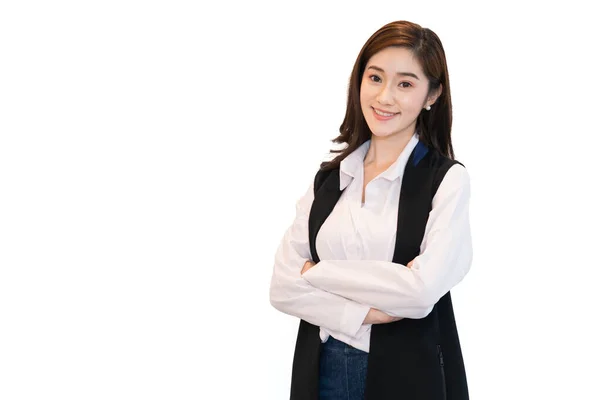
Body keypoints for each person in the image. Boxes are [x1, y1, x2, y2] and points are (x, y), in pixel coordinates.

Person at [269, 20, 472, 400]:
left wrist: (319, 274)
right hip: (322, 372)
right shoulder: (329, 180)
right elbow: (281, 287)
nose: (384, 97)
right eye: (375, 77)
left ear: (433, 94)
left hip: (406, 376)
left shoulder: (445, 181)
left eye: (405, 84)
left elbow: (420, 292)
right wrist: (367, 312)